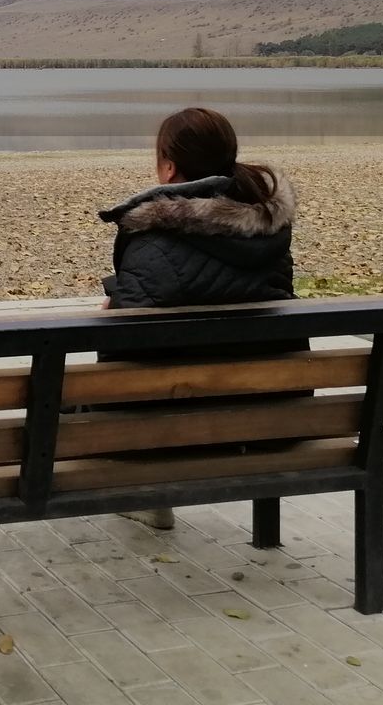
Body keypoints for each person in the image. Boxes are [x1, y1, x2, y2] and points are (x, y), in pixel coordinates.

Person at [94, 106, 298, 529]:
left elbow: (121, 351)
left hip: (174, 429)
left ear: (168, 168)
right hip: (273, 416)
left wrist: (116, 303)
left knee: (78, 403)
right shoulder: (267, 233)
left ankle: (150, 494)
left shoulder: (155, 236)